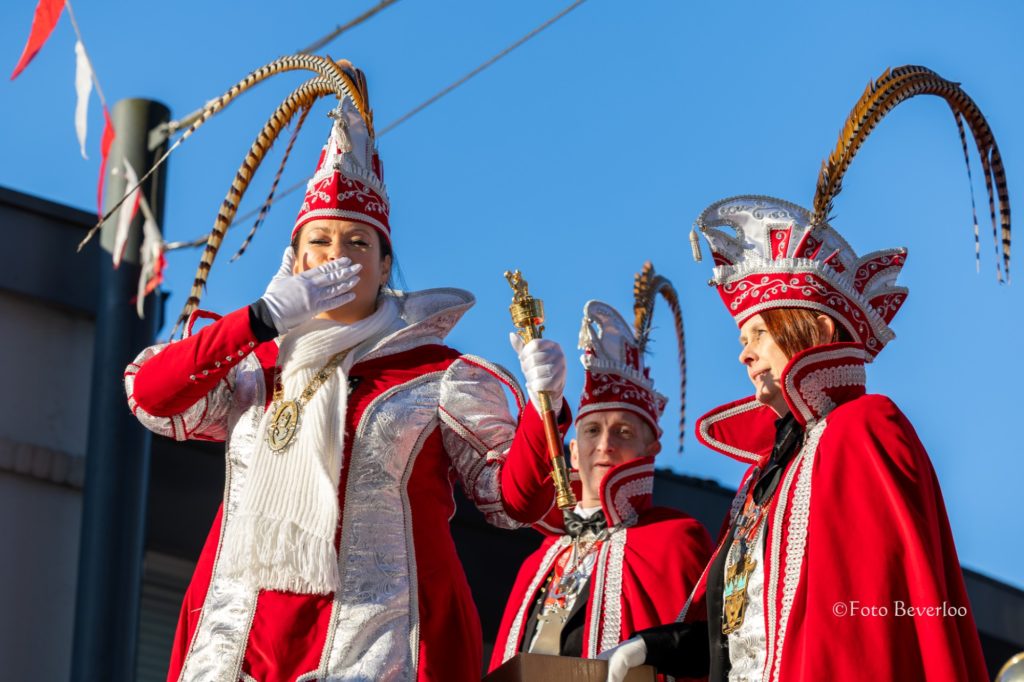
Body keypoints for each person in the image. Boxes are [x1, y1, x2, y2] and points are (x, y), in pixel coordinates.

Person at [125, 66, 568, 682]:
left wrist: (546, 409)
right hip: (238, 644)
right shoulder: (252, 361)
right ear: (295, 258)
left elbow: (517, 502)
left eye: (358, 243)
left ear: (386, 265)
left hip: (380, 648)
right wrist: (258, 320)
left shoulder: (438, 376)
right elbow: (152, 396)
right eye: (322, 242)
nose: (337, 258)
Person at [602, 65, 1005, 682]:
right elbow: (735, 629)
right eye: (742, 339)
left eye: (758, 333)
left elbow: (881, 623)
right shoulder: (762, 480)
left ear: (808, 333)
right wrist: (660, 646)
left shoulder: (867, 430)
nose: (743, 354)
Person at [490, 266, 712, 668]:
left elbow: (706, 654)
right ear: (572, 452)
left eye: (624, 431)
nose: (605, 444)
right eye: (592, 430)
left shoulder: (675, 540)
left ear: (651, 448)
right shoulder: (538, 561)